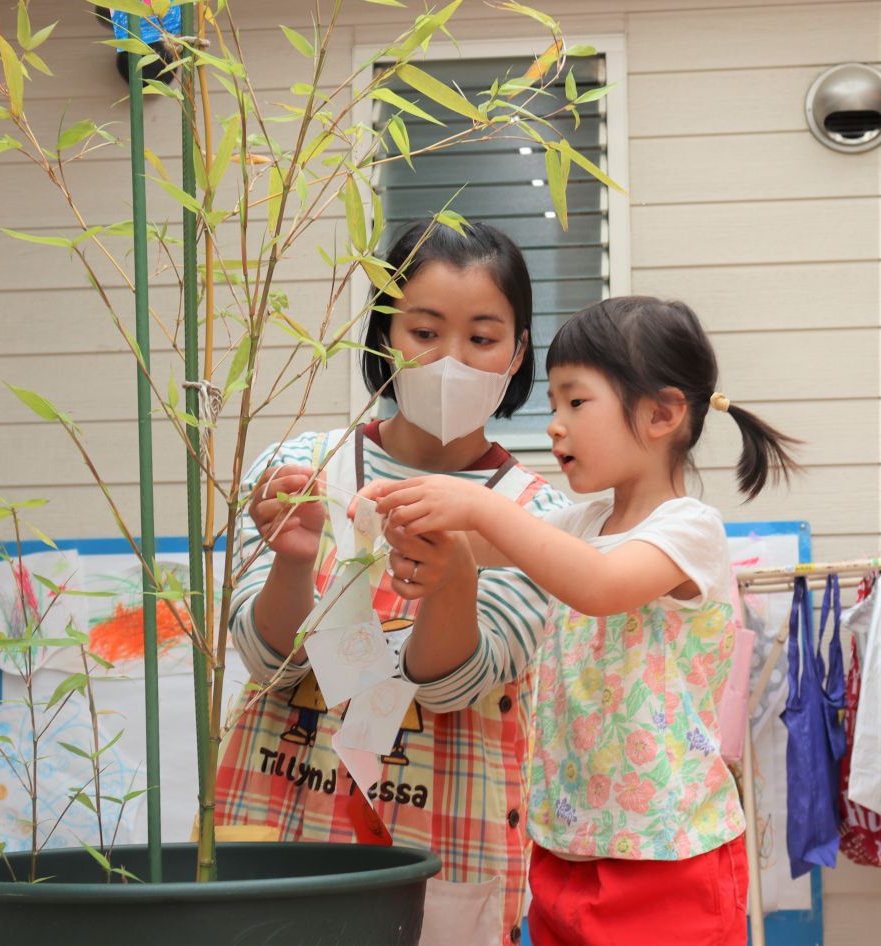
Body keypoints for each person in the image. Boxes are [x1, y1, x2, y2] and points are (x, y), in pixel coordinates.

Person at [362, 296, 802, 946]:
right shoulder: (580, 522)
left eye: (576, 402)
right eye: (555, 404)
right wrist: (405, 514)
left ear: (661, 413)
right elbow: (487, 547)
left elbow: (599, 584)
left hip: (668, 856)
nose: (554, 426)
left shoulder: (688, 529)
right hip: (570, 843)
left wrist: (480, 510)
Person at [215, 220, 570, 945]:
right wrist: (291, 558)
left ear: (519, 351)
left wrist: (453, 576)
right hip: (275, 826)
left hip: (441, 850)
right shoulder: (298, 469)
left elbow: (448, 686)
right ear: (383, 336)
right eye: (424, 331)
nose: (451, 360)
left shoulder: (541, 518)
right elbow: (265, 660)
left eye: (482, 337)